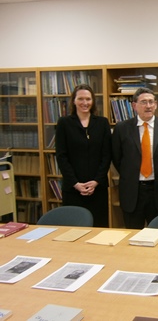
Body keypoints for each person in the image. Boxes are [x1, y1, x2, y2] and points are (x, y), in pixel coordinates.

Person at [112, 87, 158, 229]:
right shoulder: (122, 128)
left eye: (151, 102)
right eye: (143, 102)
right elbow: (116, 158)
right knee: (132, 235)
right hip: (132, 191)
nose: (148, 106)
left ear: (155, 104)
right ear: (134, 105)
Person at [56, 84, 111, 227]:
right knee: (73, 229)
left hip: (97, 189)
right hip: (73, 189)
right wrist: (75, 184)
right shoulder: (64, 123)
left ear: (93, 101)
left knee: (99, 229)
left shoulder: (102, 123)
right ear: (73, 101)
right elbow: (61, 156)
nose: (84, 103)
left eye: (88, 99)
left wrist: (96, 181)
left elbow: (107, 155)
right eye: (80, 99)